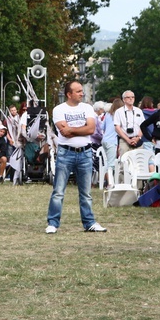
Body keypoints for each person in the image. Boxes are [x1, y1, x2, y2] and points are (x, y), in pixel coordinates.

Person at [45, 81, 106, 234]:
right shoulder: (59, 109)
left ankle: (89, 222)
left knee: (86, 192)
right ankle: (53, 223)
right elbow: (64, 132)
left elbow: (91, 129)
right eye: (78, 91)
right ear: (69, 94)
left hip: (85, 152)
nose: (82, 93)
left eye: (81, 91)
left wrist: (71, 129)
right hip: (66, 152)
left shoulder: (87, 108)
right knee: (58, 190)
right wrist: (81, 129)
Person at [113, 90, 145, 156]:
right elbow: (117, 127)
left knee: (138, 162)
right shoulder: (119, 112)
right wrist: (127, 140)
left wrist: (138, 138)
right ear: (124, 99)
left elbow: (143, 126)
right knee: (124, 162)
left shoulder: (138, 111)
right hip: (124, 140)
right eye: (128, 97)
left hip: (137, 140)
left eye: (132, 97)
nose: (131, 99)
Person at [101, 99, 122, 189]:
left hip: (105, 139)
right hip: (112, 141)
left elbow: (103, 127)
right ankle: (110, 183)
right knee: (111, 164)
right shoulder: (119, 116)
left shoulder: (108, 115)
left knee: (108, 162)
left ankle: (108, 181)